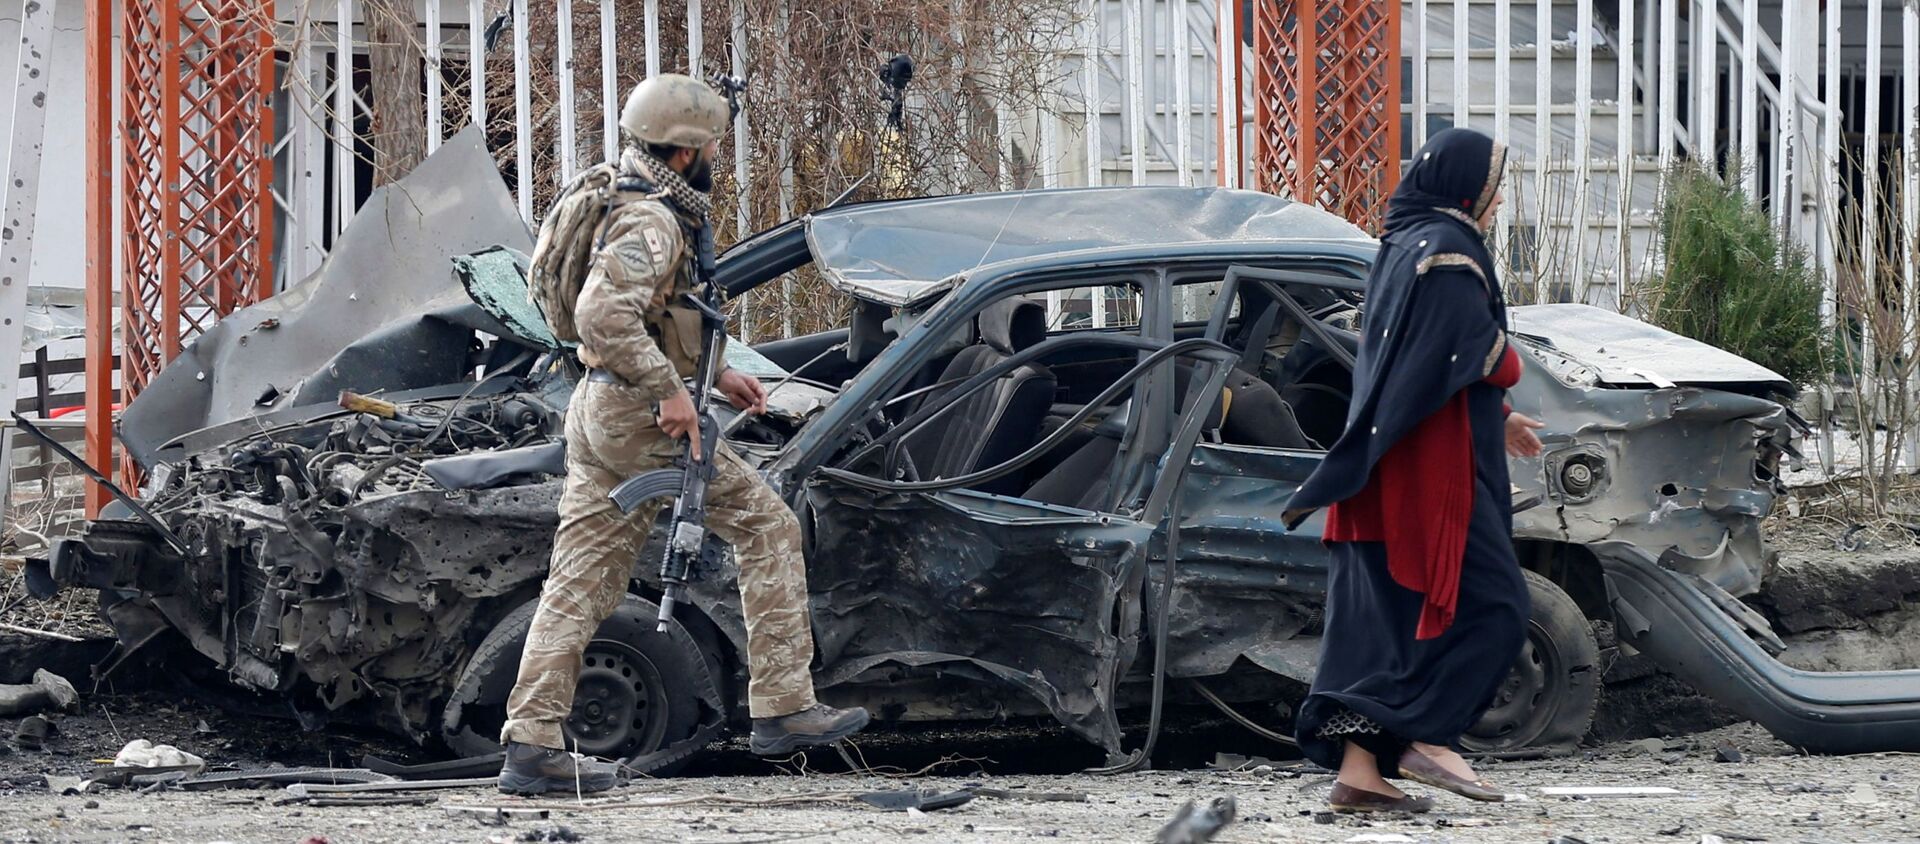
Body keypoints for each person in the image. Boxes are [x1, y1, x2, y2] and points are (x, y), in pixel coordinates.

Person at [497, 74, 869, 796]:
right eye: (709, 150)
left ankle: (532, 743)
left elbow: (664, 313)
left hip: (602, 409)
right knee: (768, 527)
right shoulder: (654, 221)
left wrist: (716, 371)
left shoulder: (629, 192)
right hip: (640, 419)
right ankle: (784, 707)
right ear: (684, 153)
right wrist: (672, 392)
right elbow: (604, 317)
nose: (714, 162)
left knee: (578, 583)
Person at [1282, 127, 1546, 814]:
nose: (1496, 201)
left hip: (1378, 469)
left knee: (1379, 629)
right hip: (1428, 477)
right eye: (1494, 186)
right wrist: (1505, 374)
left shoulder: (1401, 244)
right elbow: (1472, 346)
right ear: (1468, 187)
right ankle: (1428, 737)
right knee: (1495, 609)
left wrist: (1499, 414)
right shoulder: (1450, 250)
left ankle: (1360, 776)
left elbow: (1418, 357)